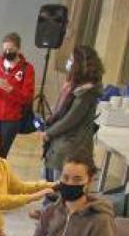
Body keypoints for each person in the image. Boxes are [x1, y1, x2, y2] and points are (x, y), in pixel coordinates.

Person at [42, 46, 104, 181]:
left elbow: (70, 119)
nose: (68, 62)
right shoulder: (72, 86)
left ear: (79, 64)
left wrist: (49, 132)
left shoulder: (87, 92)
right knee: (49, 183)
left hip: (71, 145)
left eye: (71, 60)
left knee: (60, 186)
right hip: (59, 143)